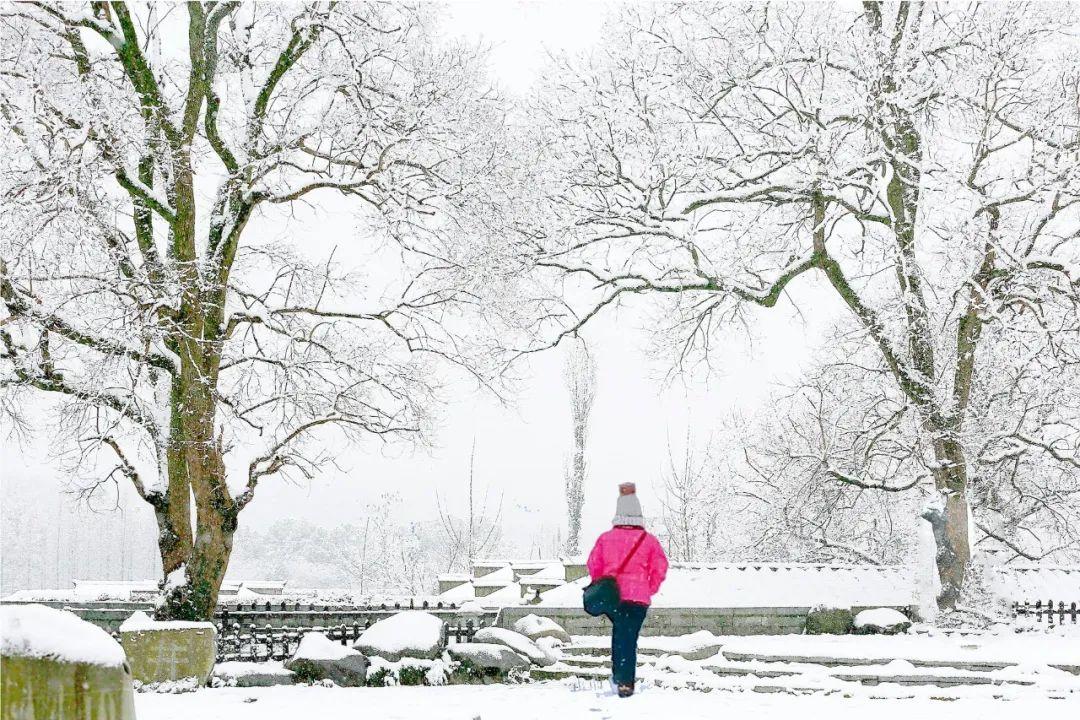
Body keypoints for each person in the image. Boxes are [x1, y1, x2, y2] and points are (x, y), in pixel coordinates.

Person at [585, 482, 668, 698]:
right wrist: (648, 588)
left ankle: (621, 677)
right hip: (639, 599)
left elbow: (594, 564)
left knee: (621, 634)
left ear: (618, 512)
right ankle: (624, 681)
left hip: (615, 598)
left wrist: (604, 584)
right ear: (639, 513)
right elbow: (660, 567)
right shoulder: (648, 541)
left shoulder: (606, 539)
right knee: (628, 637)